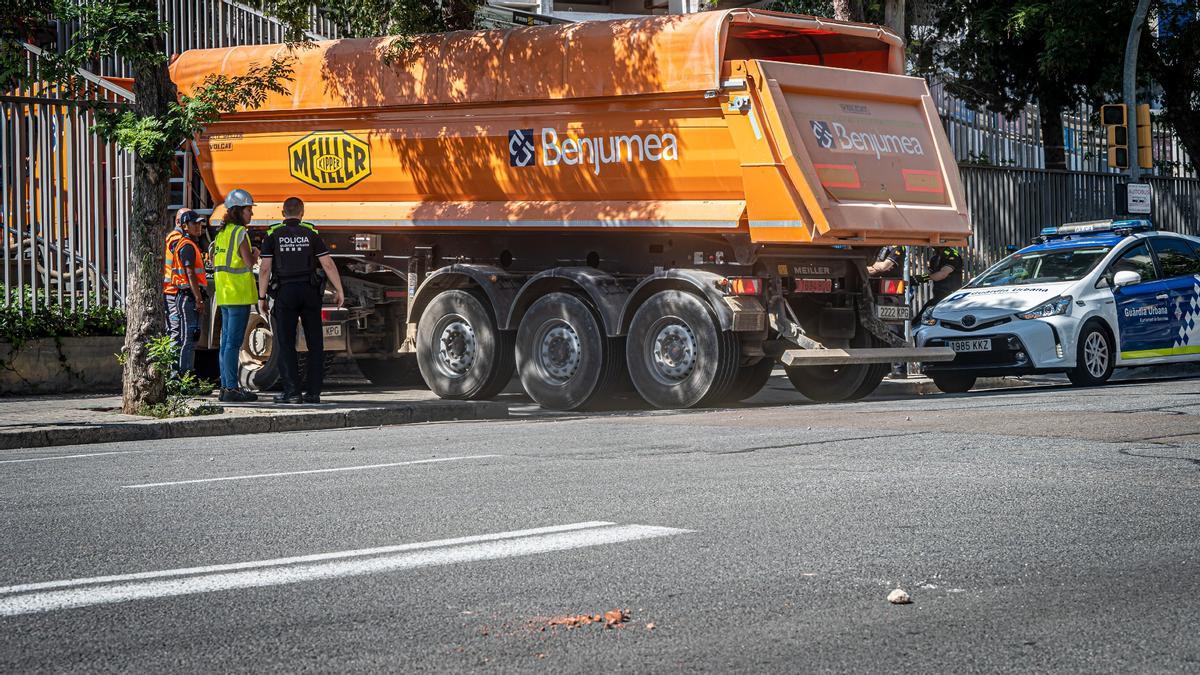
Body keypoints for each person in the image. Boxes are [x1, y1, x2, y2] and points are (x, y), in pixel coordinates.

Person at [257, 197, 345, 404]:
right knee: (316, 343)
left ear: (282, 213)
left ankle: (292, 393)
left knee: (286, 343)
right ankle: (314, 393)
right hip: (309, 291)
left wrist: (261, 296)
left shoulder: (272, 234)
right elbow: (328, 265)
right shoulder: (311, 233)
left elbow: (264, 269)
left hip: (285, 292)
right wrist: (339, 290)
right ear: (302, 212)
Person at [211, 189, 260, 402]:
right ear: (239, 211)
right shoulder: (240, 233)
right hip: (238, 294)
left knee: (226, 344)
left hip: (224, 294)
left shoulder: (221, 233)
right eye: (249, 210)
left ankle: (226, 386)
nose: (251, 214)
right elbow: (249, 262)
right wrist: (256, 252)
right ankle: (231, 388)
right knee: (233, 344)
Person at [166, 210, 208, 375]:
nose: (199, 226)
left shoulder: (187, 243)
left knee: (188, 337)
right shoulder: (186, 245)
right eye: (194, 223)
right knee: (188, 338)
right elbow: (190, 273)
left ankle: (182, 374)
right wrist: (199, 299)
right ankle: (183, 375)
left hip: (184, 295)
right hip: (187, 296)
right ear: (184, 225)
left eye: (199, 223)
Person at [163, 208, 193, 329]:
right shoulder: (176, 237)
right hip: (173, 289)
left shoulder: (179, 237)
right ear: (178, 222)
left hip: (174, 289)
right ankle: (173, 349)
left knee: (177, 329)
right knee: (176, 329)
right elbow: (182, 255)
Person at [913, 246, 964, 316]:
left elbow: (942, 274)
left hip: (951, 297)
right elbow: (930, 274)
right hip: (939, 296)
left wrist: (922, 278)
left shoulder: (952, 255)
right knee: (922, 317)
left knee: (924, 317)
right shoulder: (935, 258)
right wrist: (917, 278)